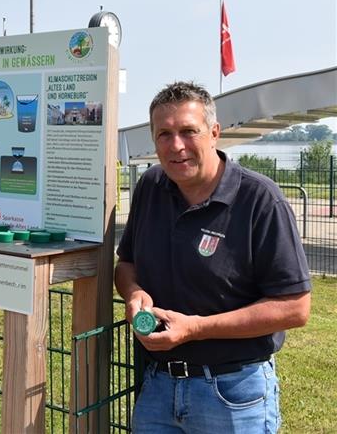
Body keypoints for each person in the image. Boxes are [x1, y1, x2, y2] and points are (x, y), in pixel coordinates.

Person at [115, 81, 311, 433]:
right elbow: (126, 263)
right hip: (157, 386)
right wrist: (133, 293)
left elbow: (295, 307)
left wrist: (196, 329)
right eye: (164, 134)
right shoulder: (150, 187)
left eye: (188, 131)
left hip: (233, 392)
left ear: (214, 133)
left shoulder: (260, 200)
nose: (176, 146)